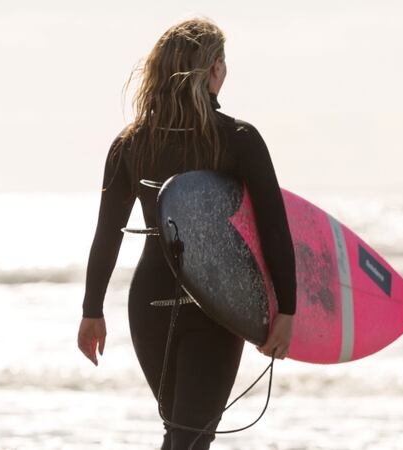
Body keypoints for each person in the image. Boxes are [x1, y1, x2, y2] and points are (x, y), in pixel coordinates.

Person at [77, 18, 296, 450]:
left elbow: (108, 233)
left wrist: (92, 310)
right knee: (189, 437)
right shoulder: (238, 139)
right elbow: (274, 227)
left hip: (150, 303)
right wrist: (287, 309)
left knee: (183, 434)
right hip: (216, 305)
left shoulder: (131, 143)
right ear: (214, 68)